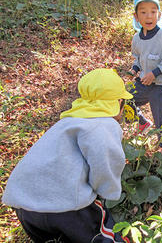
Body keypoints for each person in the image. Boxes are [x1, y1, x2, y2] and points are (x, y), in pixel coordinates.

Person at [2, 69, 132, 243]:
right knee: (103, 238)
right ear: (119, 102)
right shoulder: (105, 124)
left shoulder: (67, 122)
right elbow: (104, 166)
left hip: (24, 203)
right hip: (67, 207)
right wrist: (108, 191)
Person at [129, 0, 162, 155]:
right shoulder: (137, 38)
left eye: (153, 12)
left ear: (159, 14)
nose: (148, 16)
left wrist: (155, 73)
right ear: (136, 16)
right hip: (144, 82)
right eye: (143, 12)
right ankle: (142, 122)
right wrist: (134, 70)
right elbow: (138, 58)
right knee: (126, 99)